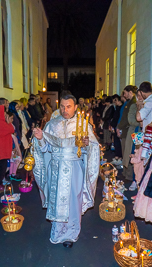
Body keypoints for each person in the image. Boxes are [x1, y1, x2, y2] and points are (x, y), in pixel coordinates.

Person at [32, 94, 100, 248]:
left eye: (68, 106)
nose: (65, 110)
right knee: (56, 200)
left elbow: (92, 149)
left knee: (73, 201)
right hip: (55, 167)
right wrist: (40, 138)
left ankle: (71, 233)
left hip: (73, 167)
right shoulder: (51, 124)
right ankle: (57, 232)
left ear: (75, 107)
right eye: (62, 106)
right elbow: (45, 148)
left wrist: (87, 144)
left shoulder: (83, 125)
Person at [117, 85, 139, 185]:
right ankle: (126, 173)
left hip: (129, 130)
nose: (124, 95)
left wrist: (119, 127)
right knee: (125, 152)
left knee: (129, 152)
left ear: (130, 92)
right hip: (126, 130)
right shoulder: (129, 102)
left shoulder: (133, 103)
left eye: (125, 92)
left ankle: (129, 176)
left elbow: (127, 119)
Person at [0, 104, 15, 193]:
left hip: (4, 147)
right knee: (2, 166)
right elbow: (11, 129)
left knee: (2, 166)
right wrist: (8, 122)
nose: (6, 113)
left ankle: (0, 182)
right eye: (4, 111)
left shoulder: (0, 121)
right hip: (2, 149)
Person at [110, 94, 123, 165]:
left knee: (118, 143)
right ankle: (117, 157)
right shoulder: (117, 107)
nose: (114, 103)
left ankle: (119, 158)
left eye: (115, 101)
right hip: (115, 127)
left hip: (118, 127)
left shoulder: (121, 108)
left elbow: (118, 118)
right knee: (115, 142)